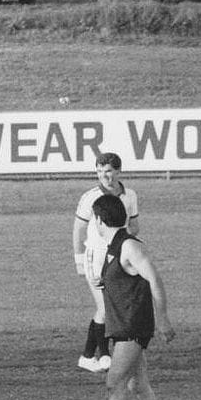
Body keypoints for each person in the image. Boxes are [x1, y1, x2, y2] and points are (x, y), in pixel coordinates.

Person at [67, 195, 174, 400]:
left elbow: (155, 279)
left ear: (100, 220)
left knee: (115, 382)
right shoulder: (115, 245)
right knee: (139, 385)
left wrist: (163, 320)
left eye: (94, 218)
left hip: (132, 327)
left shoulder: (129, 247)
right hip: (123, 324)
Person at [72, 152, 139, 373]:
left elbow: (135, 225)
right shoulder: (90, 197)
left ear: (118, 171)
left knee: (109, 306)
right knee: (104, 307)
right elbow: (78, 230)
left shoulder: (130, 195)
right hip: (96, 257)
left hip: (118, 257)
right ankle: (104, 355)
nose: (104, 176)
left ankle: (87, 355)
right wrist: (79, 261)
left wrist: (128, 244)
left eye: (108, 171)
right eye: (100, 172)